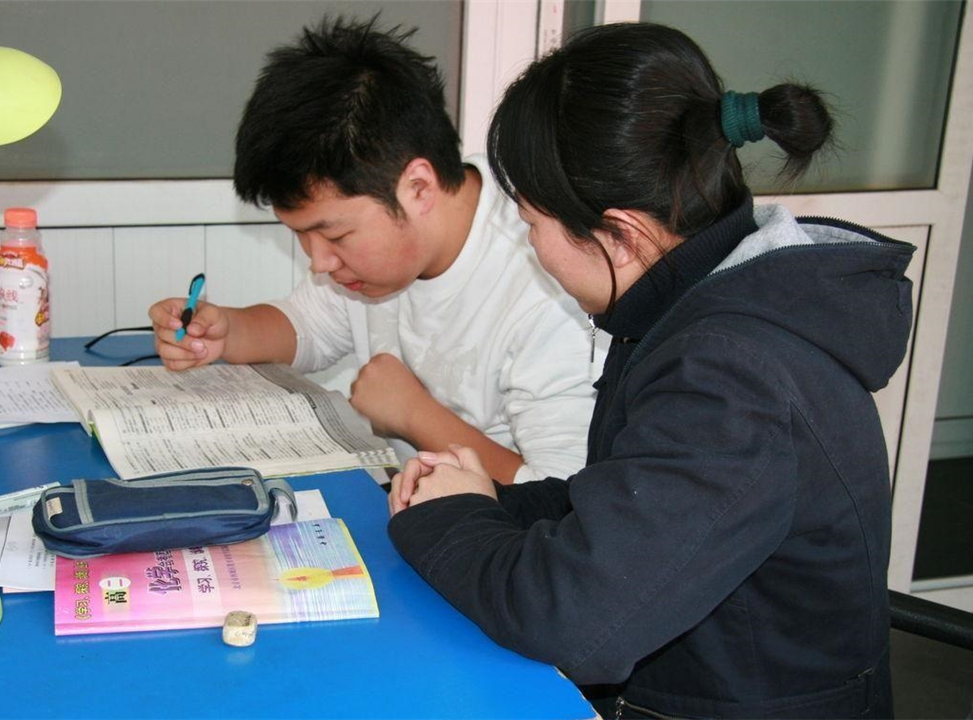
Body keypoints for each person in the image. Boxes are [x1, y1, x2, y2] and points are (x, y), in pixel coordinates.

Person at [388, 22, 911, 719]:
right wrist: (485, 500)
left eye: (530, 223)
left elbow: (575, 622)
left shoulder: (732, 375)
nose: (530, 248)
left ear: (620, 233)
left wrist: (450, 520)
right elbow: (631, 499)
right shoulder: (705, 305)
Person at [149, 16, 602, 484]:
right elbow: (308, 328)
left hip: (495, 534)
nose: (319, 261)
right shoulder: (374, 261)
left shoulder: (546, 281)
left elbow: (563, 493)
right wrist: (228, 332)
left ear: (419, 188)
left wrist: (414, 416)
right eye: (301, 236)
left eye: (335, 236)